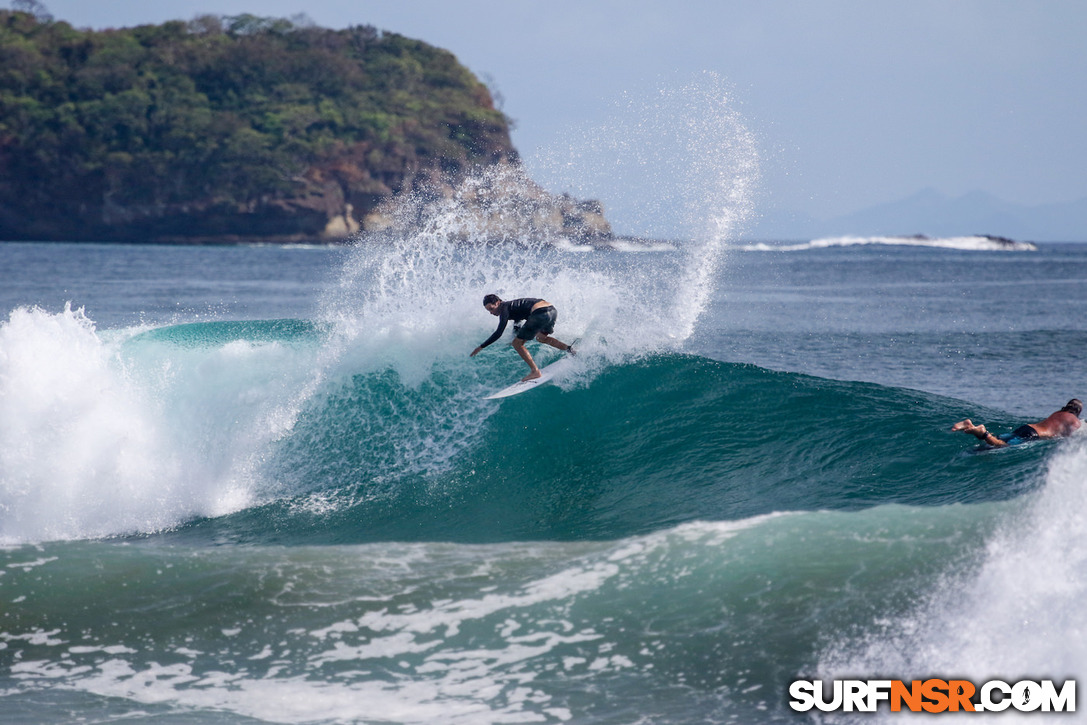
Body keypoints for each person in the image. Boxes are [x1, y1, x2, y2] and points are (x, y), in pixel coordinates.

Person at [470, 294, 575, 381]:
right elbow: (518, 321)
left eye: (491, 309)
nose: (491, 313)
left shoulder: (504, 308)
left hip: (540, 313)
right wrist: (514, 336)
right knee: (541, 338)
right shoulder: (512, 306)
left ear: (498, 303)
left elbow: (499, 332)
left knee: (517, 344)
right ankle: (570, 349)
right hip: (551, 311)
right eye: (488, 311)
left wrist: (481, 347)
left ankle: (535, 371)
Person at [951, 399, 1082, 447]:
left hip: (1028, 427)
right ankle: (981, 431)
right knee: (1001, 445)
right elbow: (1067, 437)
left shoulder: (1057, 413)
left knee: (996, 441)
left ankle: (971, 426)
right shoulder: (1075, 421)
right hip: (1034, 435)